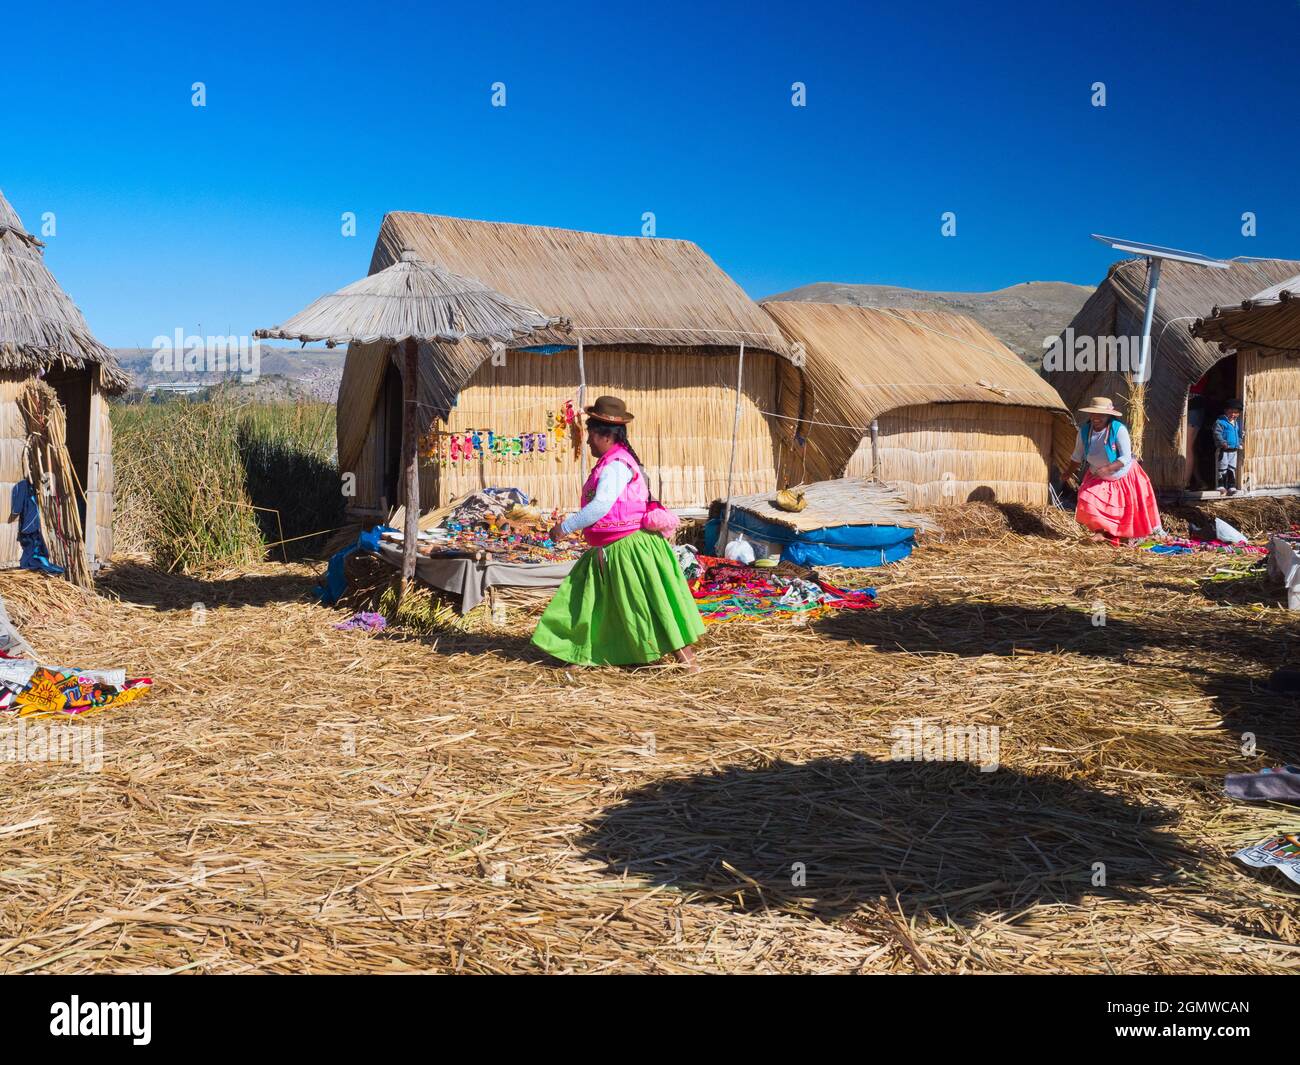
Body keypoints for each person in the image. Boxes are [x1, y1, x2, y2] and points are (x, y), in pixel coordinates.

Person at [531, 395, 704, 672]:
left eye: (590, 436)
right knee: (591, 603)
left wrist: (564, 528)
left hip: (630, 549)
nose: (587, 442)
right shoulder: (611, 461)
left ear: (606, 436)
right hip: (607, 549)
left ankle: (689, 663)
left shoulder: (616, 466)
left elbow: (601, 506)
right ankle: (581, 655)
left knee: (651, 603)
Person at [1063, 396, 1161, 544]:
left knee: (1124, 508)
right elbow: (1077, 456)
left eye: (1101, 415)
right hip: (1097, 474)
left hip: (1124, 475)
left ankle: (1126, 534)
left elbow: (1125, 457)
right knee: (1089, 500)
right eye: (1094, 414)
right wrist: (1068, 473)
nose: (1097, 418)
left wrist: (1108, 468)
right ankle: (1099, 532)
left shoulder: (1118, 429)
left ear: (1108, 416)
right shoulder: (1084, 431)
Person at [1213, 399, 1244, 496]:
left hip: (1233, 450)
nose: (1233, 414)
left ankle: (1231, 486)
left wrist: (1239, 442)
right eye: (1231, 412)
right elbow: (1216, 433)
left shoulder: (1236, 423)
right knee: (1222, 468)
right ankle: (1221, 486)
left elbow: (1238, 435)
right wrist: (1222, 442)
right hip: (1223, 450)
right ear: (1226, 411)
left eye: (1236, 412)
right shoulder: (1220, 422)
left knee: (1231, 468)